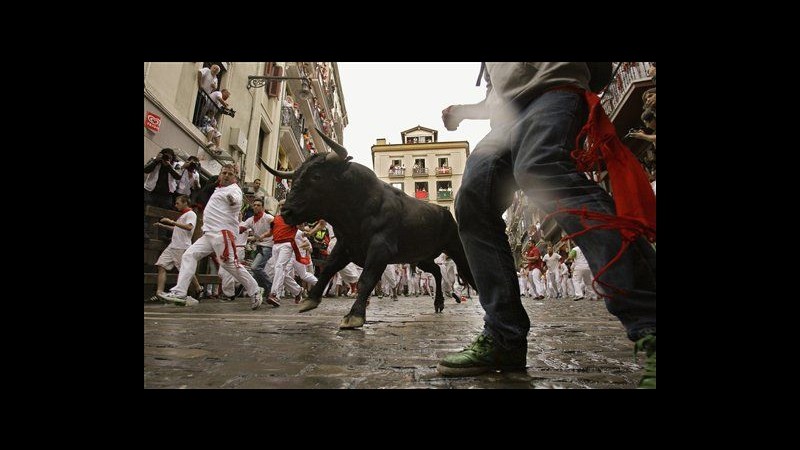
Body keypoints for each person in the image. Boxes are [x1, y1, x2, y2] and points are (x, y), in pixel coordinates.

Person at [436, 62, 656, 388]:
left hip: (555, 92)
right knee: (471, 201)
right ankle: (504, 337)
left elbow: (599, 70)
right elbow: (500, 95)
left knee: (540, 168)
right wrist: (463, 111)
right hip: (507, 119)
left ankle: (650, 320)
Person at [158, 164, 265, 309]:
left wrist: (231, 199)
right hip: (209, 234)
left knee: (229, 265)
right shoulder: (218, 189)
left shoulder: (234, 190)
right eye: (224, 173)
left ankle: (255, 290)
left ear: (234, 177)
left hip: (222, 234)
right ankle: (180, 293)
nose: (226, 175)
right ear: (220, 175)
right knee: (189, 255)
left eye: (230, 174)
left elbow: (236, 201)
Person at [149, 195, 204, 302]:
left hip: (181, 246)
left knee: (185, 269)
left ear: (185, 203)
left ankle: (198, 288)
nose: (176, 205)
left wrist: (171, 221)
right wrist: (164, 226)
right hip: (173, 245)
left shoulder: (191, 214)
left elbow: (189, 227)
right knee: (161, 265)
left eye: (178, 203)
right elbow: (178, 229)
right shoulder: (182, 216)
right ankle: (159, 293)